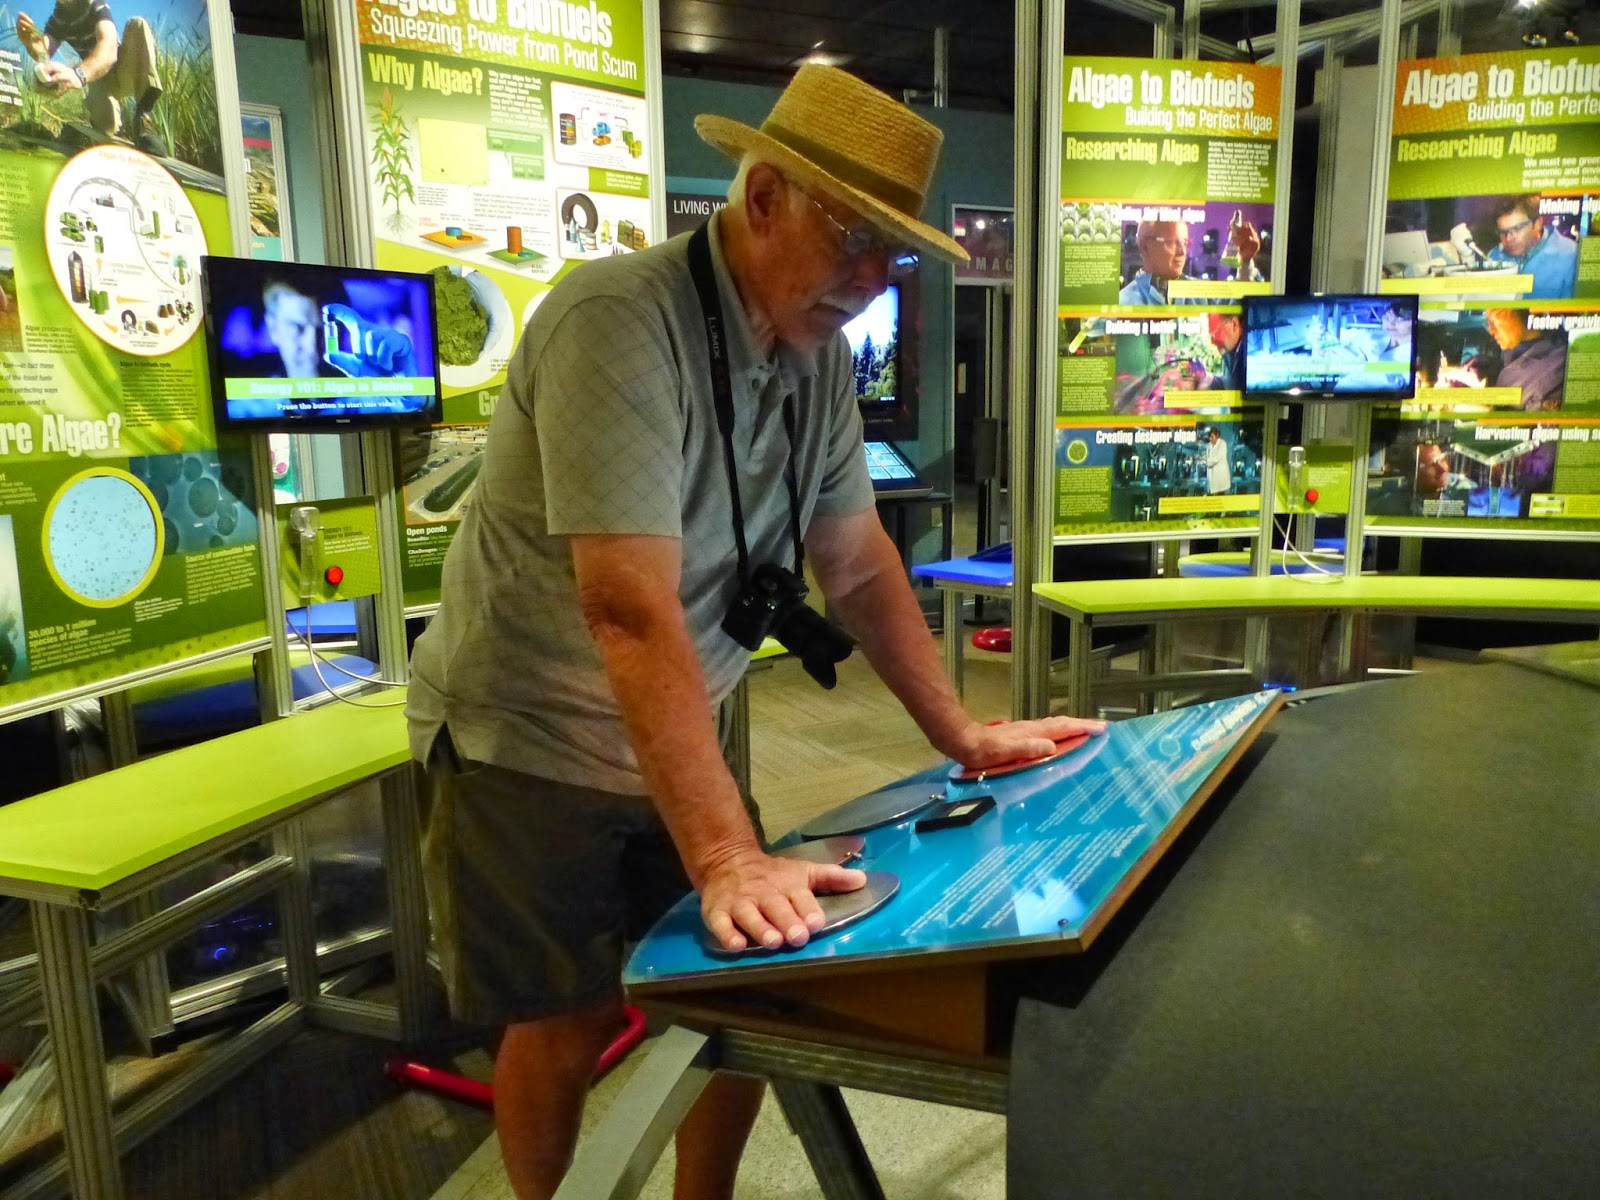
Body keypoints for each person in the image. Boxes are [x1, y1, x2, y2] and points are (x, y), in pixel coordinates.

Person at [406, 65, 1107, 1200]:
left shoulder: (812, 356)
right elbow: (623, 607)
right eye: (855, 239)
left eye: (894, 253)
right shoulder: (615, 319)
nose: (873, 281)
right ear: (766, 197)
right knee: (561, 1017)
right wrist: (725, 853)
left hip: (685, 703)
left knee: (734, 987)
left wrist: (962, 734)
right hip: (530, 730)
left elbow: (857, 563)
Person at [17, 2, 166, 156]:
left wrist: (78, 74)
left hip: (119, 69)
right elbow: (43, 52)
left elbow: (108, 48)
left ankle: (144, 119)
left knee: (138, 24)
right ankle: (81, 131)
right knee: (107, 130)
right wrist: (30, 42)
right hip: (98, 79)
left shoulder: (96, 5)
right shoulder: (59, 18)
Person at [1118, 220, 1261, 305]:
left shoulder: (1202, 293)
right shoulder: (1123, 302)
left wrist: (1246, 262)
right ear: (1145, 247)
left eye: (1184, 242)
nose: (1182, 252)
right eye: (1171, 242)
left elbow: (1236, 313)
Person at [1485, 194, 1577, 300]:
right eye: (1503, 232)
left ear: (1538, 223)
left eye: (1517, 228)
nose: (1509, 239)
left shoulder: (1572, 256)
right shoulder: (1494, 256)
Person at [1484, 307, 1565, 411]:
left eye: (1496, 319)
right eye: (1488, 321)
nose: (1491, 330)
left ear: (1530, 312)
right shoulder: (1518, 343)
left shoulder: (1553, 374)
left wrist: (1486, 406)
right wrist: (1488, 366)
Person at [1199, 312, 1243, 390]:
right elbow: (1229, 384)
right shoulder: (1228, 352)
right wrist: (1206, 378)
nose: (1212, 341)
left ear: (1234, 324)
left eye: (1216, 333)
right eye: (1211, 336)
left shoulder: (1249, 356)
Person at [1203, 426, 1232, 495]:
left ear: (1217, 436)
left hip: (1220, 477)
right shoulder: (1209, 445)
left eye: (1212, 437)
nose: (1210, 439)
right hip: (1212, 478)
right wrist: (1203, 459)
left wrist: (1205, 460)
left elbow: (1216, 459)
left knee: (1220, 493)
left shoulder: (1222, 444)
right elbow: (1207, 458)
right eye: (1209, 437)